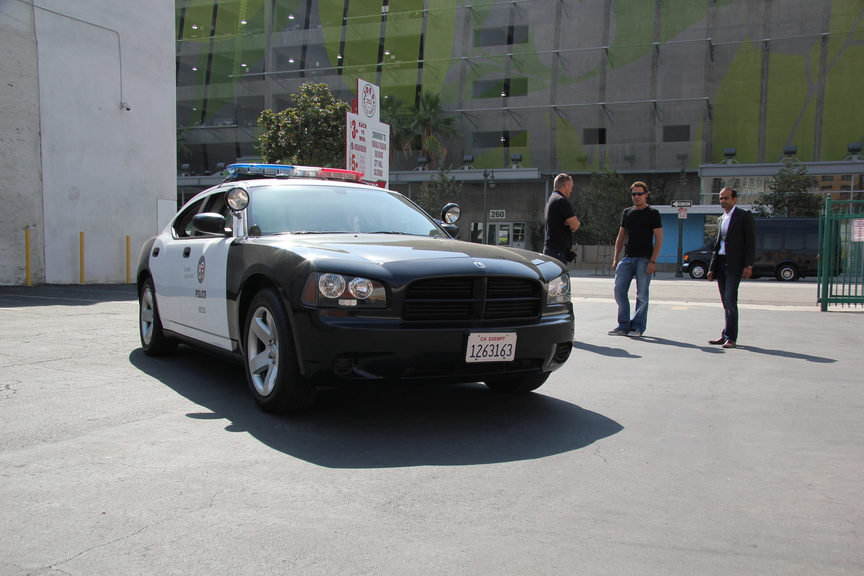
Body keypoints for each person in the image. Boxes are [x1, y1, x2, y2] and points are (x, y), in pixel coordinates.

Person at [608, 182, 663, 337]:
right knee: (619, 290)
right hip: (627, 259)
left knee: (642, 295)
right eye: (634, 194)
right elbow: (621, 236)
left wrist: (653, 261)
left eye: (640, 194)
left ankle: (637, 326)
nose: (636, 197)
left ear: (646, 194)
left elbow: (659, 238)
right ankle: (623, 325)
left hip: (644, 259)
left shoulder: (653, 213)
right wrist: (616, 257)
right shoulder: (627, 212)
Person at [706, 187, 755, 349]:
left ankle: (731, 338)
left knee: (730, 300)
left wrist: (748, 265)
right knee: (725, 301)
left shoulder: (743, 216)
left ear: (734, 199)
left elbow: (750, 242)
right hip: (720, 262)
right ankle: (725, 334)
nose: (723, 201)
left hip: (735, 264)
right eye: (721, 198)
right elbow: (717, 245)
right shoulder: (721, 219)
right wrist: (712, 268)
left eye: (726, 198)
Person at [543, 173, 581, 265]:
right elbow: (575, 225)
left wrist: (569, 223)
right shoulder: (561, 201)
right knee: (559, 279)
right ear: (566, 186)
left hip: (551, 250)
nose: (571, 190)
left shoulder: (551, 200)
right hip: (557, 253)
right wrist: (570, 224)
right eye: (571, 187)